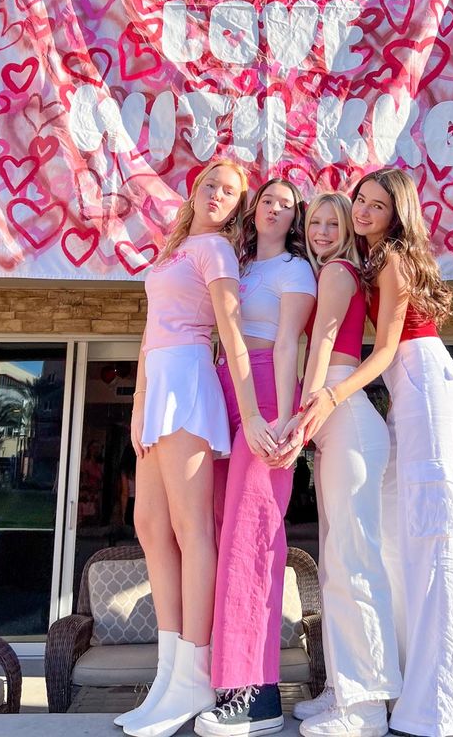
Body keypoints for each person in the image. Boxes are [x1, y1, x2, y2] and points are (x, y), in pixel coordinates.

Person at [298, 169, 453, 737]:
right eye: (361, 201)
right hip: (407, 393)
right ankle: (396, 686)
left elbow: (384, 353)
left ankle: (441, 704)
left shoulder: (395, 260)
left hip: (425, 384)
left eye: (377, 205)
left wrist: (330, 394)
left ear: (397, 213)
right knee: (401, 539)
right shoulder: (369, 262)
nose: (363, 211)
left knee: (433, 536)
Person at [114, 160, 277, 737]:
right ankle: (169, 674)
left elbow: (231, 333)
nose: (218, 194)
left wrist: (252, 411)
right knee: (150, 525)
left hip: (187, 378)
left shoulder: (218, 254)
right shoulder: (176, 246)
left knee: (191, 531)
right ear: (194, 188)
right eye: (212, 183)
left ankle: (194, 669)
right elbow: (148, 326)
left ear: (237, 207)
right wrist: (137, 398)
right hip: (158, 384)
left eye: (231, 192)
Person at [195, 178, 316, 737]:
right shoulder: (237, 265)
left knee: (253, 534)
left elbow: (290, 342)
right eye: (268, 199)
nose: (275, 208)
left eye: (287, 205)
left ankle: (256, 696)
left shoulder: (297, 271)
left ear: (295, 219)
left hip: (267, 392)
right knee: (221, 532)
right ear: (255, 209)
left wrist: (287, 417)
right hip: (224, 390)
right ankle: (223, 679)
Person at [284, 192, 402, 737]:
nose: (324, 230)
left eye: (334, 221)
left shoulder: (336, 271)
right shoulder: (336, 271)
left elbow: (323, 346)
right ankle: (341, 688)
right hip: (339, 420)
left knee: (354, 565)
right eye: (316, 222)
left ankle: (366, 708)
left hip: (344, 413)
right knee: (336, 564)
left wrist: (303, 415)